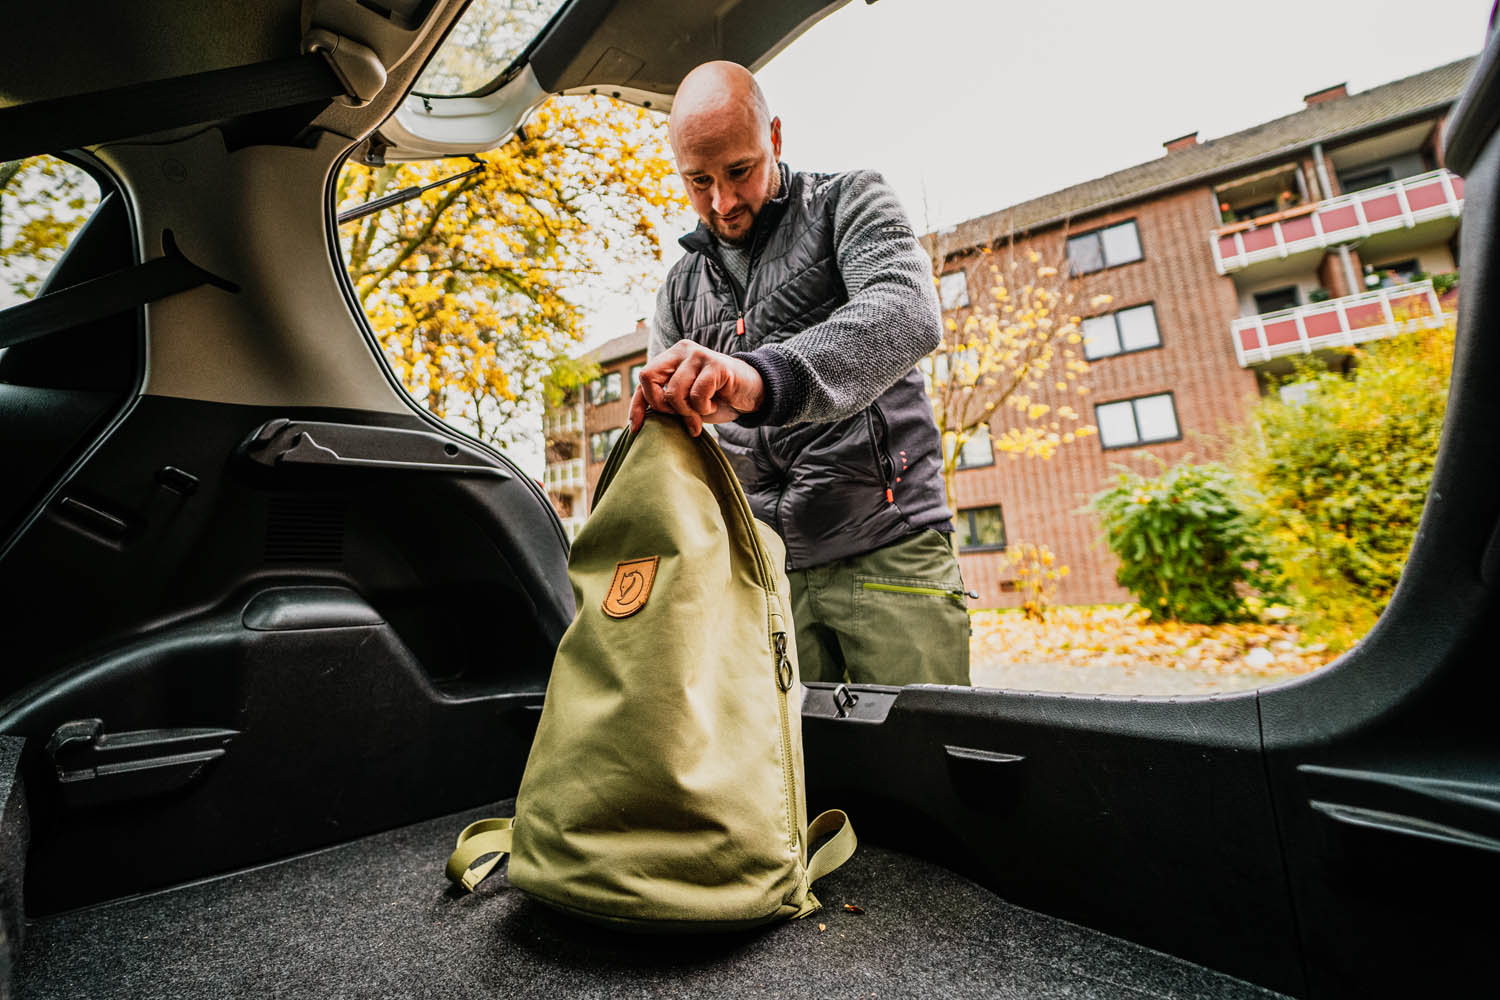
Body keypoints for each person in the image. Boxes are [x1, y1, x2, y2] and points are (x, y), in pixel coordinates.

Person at [628, 61, 969, 687]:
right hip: (765, 583)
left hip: (888, 552)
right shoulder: (679, 288)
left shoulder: (850, 200)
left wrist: (759, 378)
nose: (722, 202)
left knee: (922, 768)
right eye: (698, 181)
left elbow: (907, 310)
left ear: (775, 138)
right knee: (798, 782)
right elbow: (679, 452)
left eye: (739, 170)